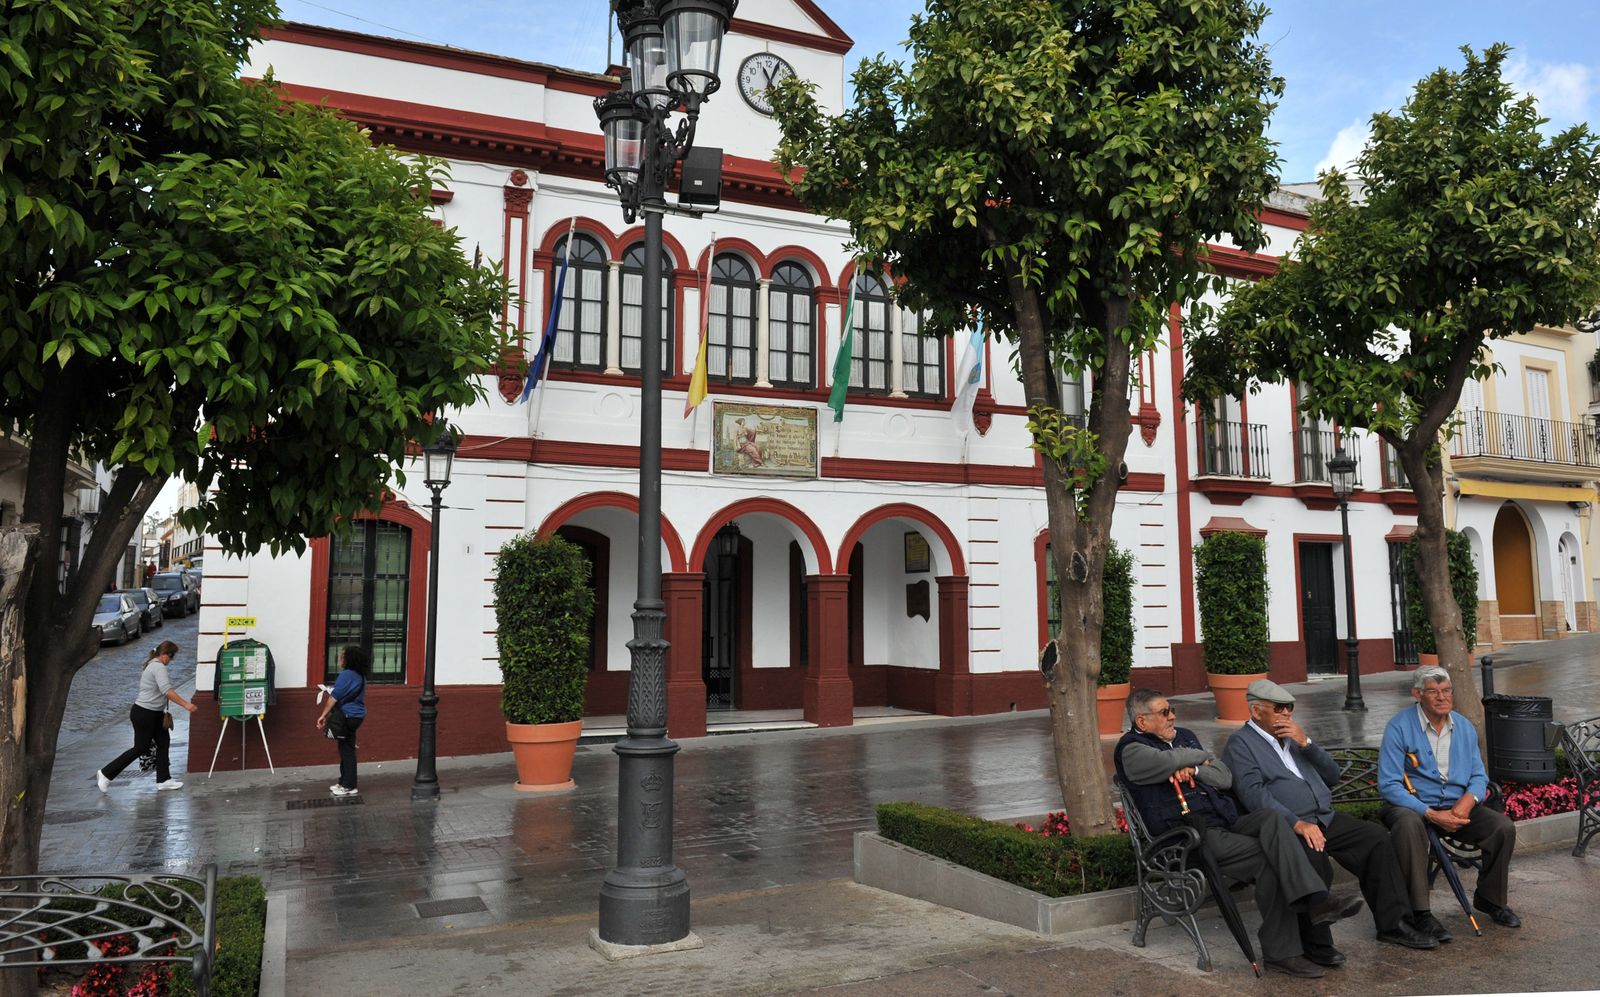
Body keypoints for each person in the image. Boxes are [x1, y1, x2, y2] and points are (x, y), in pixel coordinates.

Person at [1115, 688, 1363, 979]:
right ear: (1142, 722)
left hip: (1226, 819)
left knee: (1272, 819)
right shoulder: (1131, 748)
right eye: (1164, 712)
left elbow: (1224, 777)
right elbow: (1167, 762)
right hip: (1187, 835)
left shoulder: (1184, 735)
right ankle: (1287, 945)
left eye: (1172, 710)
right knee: (1271, 859)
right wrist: (1199, 759)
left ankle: (1313, 907)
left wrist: (1193, 769)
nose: (1173, 716)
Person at [1222, 679, 1438, 960]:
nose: (1287, 714)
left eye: (1289, 708)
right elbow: (1254, 795)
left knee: (1375, 840)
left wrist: (1306, 742)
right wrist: (1296, 823)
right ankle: (1316, 944)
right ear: (1256, 711)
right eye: (1279, 709)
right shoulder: (1241, 744)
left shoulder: (1294, 738)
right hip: (1289, 825)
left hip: (1325, 817)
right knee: (1313, 855)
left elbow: (1333, 775)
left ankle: (1394, 924)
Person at [1379, 665, 1520, 932]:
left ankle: (1490, 900)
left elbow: (1479, 776)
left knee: (1502, 828)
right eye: (1433, 691)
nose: (1442, 697)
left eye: (1446, 691)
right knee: (1409, 826)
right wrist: (1430, 813)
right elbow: (1388, 784)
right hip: (1411, 805)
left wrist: (1466, 803)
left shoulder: (1464, 727)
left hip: (1456, 806)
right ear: (1417, 694)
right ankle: (1420, 912)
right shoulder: (1399, 726)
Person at [97, 640, 198, 792]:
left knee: (163, 742)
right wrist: (186, 705)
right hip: (145, 713)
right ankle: (106, 773)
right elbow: (167, 690)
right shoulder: (158, 667)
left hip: (154, 713)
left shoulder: (153, 664)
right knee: (140, 747)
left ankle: (164, 780)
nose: (171, 661)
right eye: (172, 657)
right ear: (166, 655)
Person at [317, 645, 369, 797]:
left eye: (342, 656)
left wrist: (323, 715)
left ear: (349, 659)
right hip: (356, 716)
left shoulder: (347, 675)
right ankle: (344, 781)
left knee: (347, 751)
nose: (339, 658)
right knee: (346, 748)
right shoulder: (360, 676)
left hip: (347, 715)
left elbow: (334, 698)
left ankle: (348, 785)